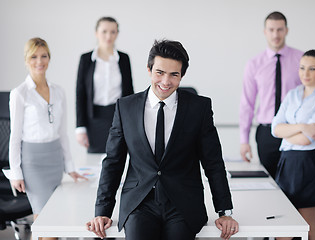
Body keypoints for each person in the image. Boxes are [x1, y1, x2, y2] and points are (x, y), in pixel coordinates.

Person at [86, 39, 239, 240]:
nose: (166, 82)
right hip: (139, 203)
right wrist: (102, 211)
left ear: (182, 76)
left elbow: (213, 163)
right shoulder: (126, 107)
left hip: (183, 203)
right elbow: (113, 162)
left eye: (174, 74)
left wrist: (224, 211)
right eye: (160, 73)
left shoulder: (198, 108)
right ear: (149, 70)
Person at [8, 37, 86, 238]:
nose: (39, 61)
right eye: (33, 56)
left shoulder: (59, 92)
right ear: (26, 60)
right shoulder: (20, 93)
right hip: (33, 164)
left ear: (49, 58)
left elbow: (62, 134)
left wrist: (70, 167)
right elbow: (14, 137)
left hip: (54, 162)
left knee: (51, 224)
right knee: (47, 224)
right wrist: (16, 172)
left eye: (43, 56)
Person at [271, 50, 315, 240]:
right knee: (283, 232)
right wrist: (302, 127)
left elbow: (307, 140)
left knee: (309, 230)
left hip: (309, 167)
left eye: (312, 69)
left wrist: (287, 131)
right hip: (287, 165)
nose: (305, 74)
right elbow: (275, 129)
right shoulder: (292, 95)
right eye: (302, 68)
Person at [239, 11, 303, 178]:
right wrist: (244, 140)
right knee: (270, 182)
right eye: (272, 29)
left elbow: (310, 97)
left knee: (294, 182)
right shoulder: (254, 64)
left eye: (280, 29)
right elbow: (247, 103)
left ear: (286, 30)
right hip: (267, 133)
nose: (276, 34)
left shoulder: (301, 60)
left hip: (294, 131)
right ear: (265, 31)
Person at [76, 16, 134, 153]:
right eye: (104, 31)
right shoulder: (86, 59)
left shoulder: (124, 59)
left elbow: (129, 92)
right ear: (96, 33)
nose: (109, 36)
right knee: (94, 163)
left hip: (117, 117)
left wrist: (131, 123)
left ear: (117, 34)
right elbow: (80, 94)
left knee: (118, 157)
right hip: (93, 118)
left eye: (113, 32)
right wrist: (80, 127)